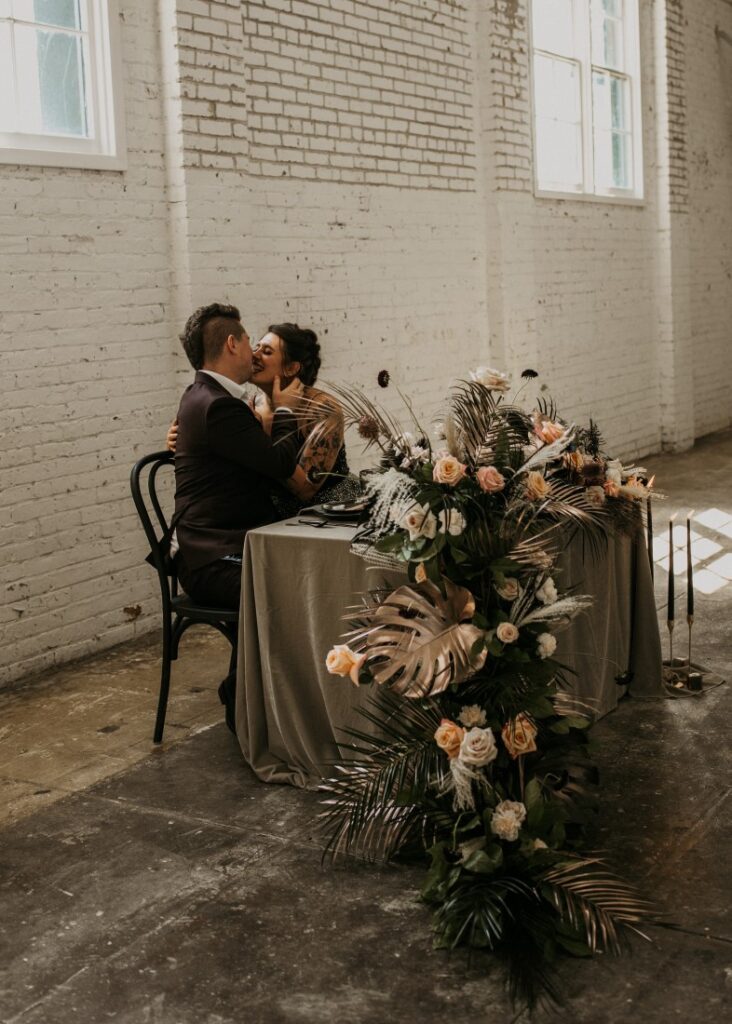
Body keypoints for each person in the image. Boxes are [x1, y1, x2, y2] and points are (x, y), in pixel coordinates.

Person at [172, 303, 303, 730]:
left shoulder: (206, 397)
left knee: (295, 576)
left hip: (216, 547)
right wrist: (284, 410)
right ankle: (250, 702)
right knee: (289, 588)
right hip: (210, 559)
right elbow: (279, 464)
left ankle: (246, 690)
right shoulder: (218, 406)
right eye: (249, 341)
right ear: (232, 343)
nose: (253, 351)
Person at [167, 322, 359, 517]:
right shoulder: (249, 405)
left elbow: (305, 489)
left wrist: (256, 449)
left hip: (330, 510)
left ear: (291, 368)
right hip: (268, 513)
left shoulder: (322, 410)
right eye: (256, 347)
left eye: (266, 352)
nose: (254, 355)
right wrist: (181, 438)